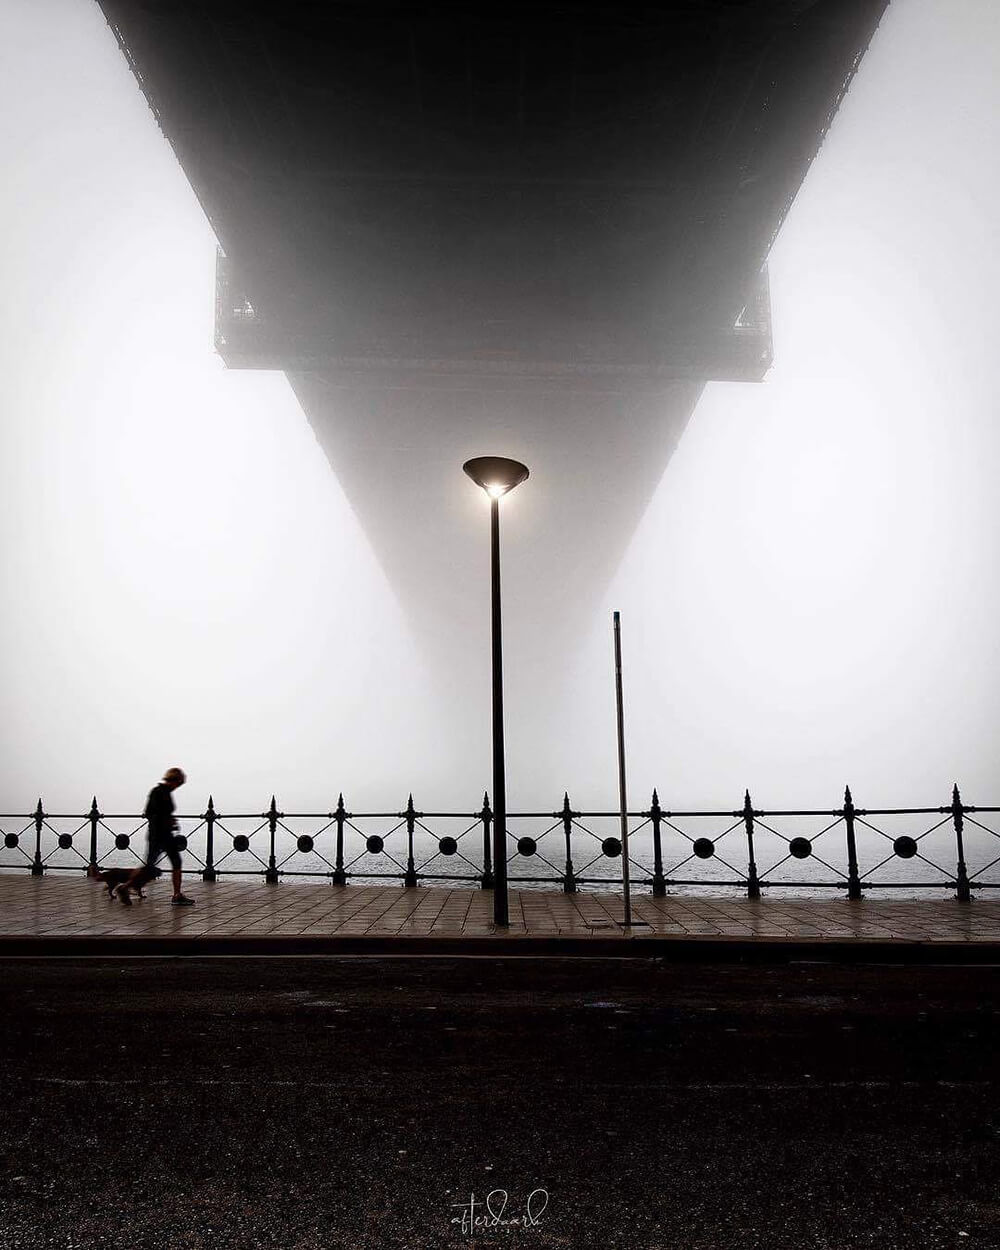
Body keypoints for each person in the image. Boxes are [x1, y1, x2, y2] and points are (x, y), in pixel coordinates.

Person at [116, 767, 194, 906]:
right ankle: (124, 888)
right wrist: (167, 821)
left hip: (164, 834)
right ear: (173, 780)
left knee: (175, 862)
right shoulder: (158, 792)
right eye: (179, 782)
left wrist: (170, 821)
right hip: (158, 835)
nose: (179, 786)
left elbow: (158, 813)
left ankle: (177, 894)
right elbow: (151, 813)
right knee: (150, 867)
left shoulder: (165, 792)